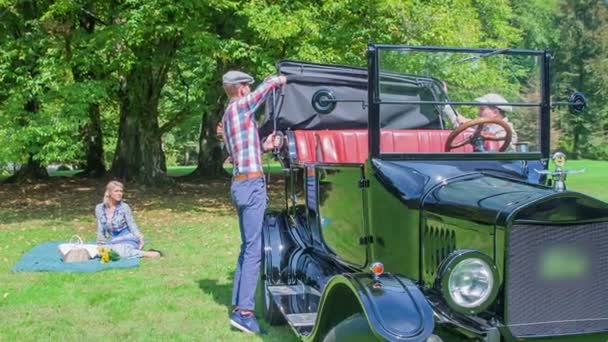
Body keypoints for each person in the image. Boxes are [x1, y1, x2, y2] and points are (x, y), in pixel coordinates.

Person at [221, 70, 286, 334]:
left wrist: (264, 146)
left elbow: (241, 150)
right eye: (247, 85)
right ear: (240, 88)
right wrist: (279, 79)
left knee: (247, 247)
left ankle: (240, 306)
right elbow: (264, 91)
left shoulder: (228, 117)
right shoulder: (239, 106)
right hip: (250, 185)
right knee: (253, 250)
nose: (250, 89)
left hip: (241, 183)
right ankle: (245, 313)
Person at [95, 181, 161, 258]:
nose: (119, 193)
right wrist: (100, 244)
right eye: (116, 191)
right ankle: (134, 252)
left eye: (121, 191)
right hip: (114, 241)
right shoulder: (99, 208)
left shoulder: (124, 207)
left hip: (128, 239)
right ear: (109, 193)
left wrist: (140, 237)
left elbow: (132, 224)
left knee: (119, 251)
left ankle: (147, 254)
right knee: (101, 252)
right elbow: (100, 228)